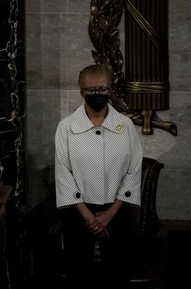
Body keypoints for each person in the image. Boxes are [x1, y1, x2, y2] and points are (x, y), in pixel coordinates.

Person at [54, 64, 142, 288]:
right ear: (81, 92)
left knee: (117, 271)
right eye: (91, 90)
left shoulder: (126, 125)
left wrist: (110, 214)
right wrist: (90, 218)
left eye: (102, 89)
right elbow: (64, 175)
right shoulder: (66, 127)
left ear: (110, 90)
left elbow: (133, 171)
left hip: (117, 210)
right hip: (77, 212)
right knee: (78, 272)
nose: (97, 94)